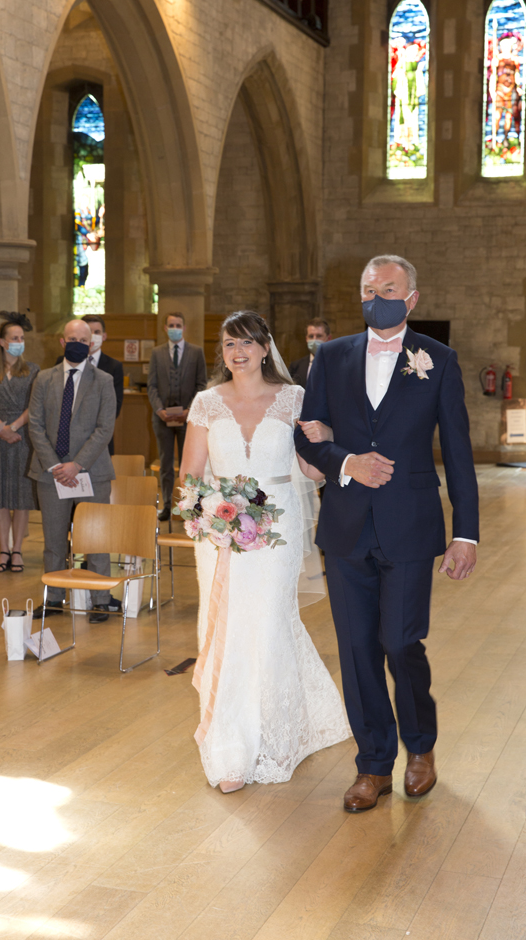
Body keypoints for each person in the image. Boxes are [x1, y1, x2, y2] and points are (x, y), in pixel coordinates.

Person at [295, 255, 479, 813]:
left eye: (389, 288)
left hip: (410, 525)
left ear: (412, 297)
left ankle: (420, 747)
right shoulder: (329, 356)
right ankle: (372, 763)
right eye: (368, 288)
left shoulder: (438, 361)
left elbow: (461, 452)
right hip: (347, 525)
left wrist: (465, 533)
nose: (377, 296)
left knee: (401, 644)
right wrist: (348, 462)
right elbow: (306, 439)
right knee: (355, 651)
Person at [180, 310, 350, 793]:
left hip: (278, 527)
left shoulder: (293, 398)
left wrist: (331, 441)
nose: (238, 352)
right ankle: (232, 746)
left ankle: (276, 738)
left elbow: (312, 470)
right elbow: (190, 476)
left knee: (271, 622)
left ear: (264, 347)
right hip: (221, 534)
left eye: (247, 343)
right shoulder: (206, 404)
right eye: (229, 344)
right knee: (232, 630)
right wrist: (212, 511)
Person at [28, 318, 117, 624]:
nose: (79, 343)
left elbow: (105, 428)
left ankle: (100, 600)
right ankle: (53, 598)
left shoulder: (103, 380)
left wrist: (77, 464)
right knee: (53, 541)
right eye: (73, 338)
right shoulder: (44, 378)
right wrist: (55, 465)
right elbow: (35, 425)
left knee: (96, 540)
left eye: (85, 338)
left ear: (91, 343)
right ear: (63, 342)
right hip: (50, 473)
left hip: (91, 471)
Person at [0, 311, 39, 573]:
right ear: (2, 342)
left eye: (22, 337)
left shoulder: (33, 370)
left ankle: (17, 551)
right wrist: (2, 429)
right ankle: (2, 550)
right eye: (14, 337)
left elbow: (33, 406)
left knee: (21, 498)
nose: (19, 341)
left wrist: (14, 427)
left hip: (23, 437)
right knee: (0, 497)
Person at [147, 312, 207, 521]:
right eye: (171, 324)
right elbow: (152, 385)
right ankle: (166, 505)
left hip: (187, 418)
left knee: (189, 464)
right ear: (165, 328)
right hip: (163, 418)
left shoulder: (196, 352)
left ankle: (190, 506)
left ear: (184, 327)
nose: (174, 328)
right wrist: (159, 409)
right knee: (165, 464)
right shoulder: (157, 353)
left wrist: (190, 409)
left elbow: (202, 385)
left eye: (178, 325)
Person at [56, 314, 123, 455]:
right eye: (89, 331)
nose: (93, 335)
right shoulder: (60, 363)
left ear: (104, 336)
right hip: (64, 439)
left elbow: (113, 409)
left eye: (97, 332)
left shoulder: (113, 367)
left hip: (97, 441)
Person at [289, 318, 332, 389]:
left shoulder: (338, 364)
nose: (314, 340)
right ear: (306, 339)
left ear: (329, 338)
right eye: (311, 336)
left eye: (319, 336)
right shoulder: (296, 367)